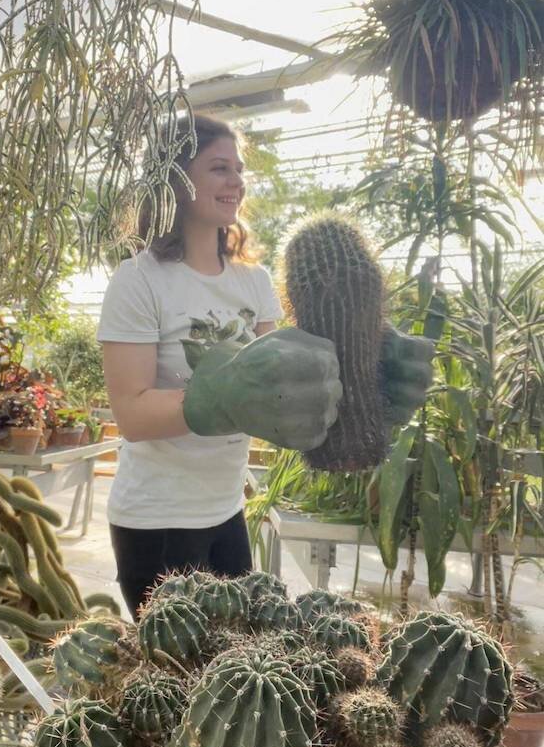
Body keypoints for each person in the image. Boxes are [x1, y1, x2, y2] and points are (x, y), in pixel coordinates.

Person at [98, 114, 433, 619]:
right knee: (178, 666)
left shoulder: (252, 281)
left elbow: (283, 387)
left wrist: (370, 366)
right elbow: (132, 415)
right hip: (156, 520)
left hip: (227, 510)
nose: (236, 181)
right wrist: (223, 397)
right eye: (219, 168)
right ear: (175, 180)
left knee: (240, 662)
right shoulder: (139, 280)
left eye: (238, 169)